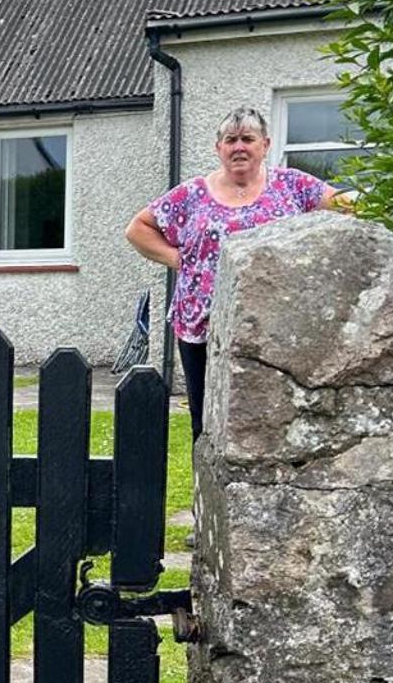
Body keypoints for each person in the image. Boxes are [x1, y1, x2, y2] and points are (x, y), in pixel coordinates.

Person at [125, 105, 337, 439]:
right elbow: (138, 229)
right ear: (218, 148)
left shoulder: (292, 185)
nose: (239, 147)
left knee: (268, 416)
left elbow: (342, 206)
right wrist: (181, 260)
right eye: (231, 140)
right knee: (206, 420)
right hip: (201, 324)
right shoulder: (191, 194)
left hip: (273, 322)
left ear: (265, 144)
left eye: (248, 139)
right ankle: (205, 486)